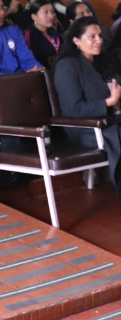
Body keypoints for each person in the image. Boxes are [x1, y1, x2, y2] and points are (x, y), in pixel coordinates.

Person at [54, 17, 121, 191]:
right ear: (76, 40)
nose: (98, 40)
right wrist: (110, 102)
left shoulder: (103, 61)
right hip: (85, 128)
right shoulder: (67, 66)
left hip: (111, 121)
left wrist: (116, 104)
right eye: (92, 37)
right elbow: (74, 109)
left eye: (99, 35)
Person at [23, 0, 61, 68]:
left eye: (52, 11)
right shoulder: (29, 35)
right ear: (34, 17)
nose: (51, 16)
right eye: (45, 12)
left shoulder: (54, 31)